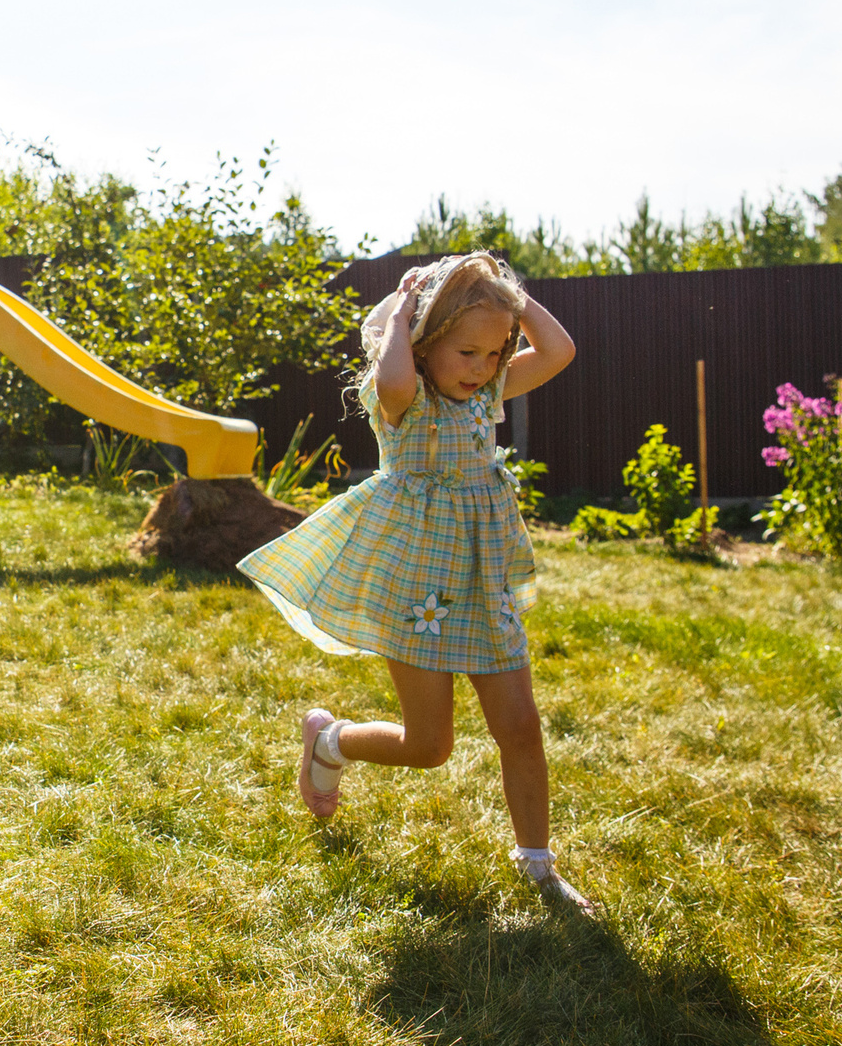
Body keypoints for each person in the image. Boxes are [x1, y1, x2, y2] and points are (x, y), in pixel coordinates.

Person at [238, 252, 587, 908]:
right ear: (425, 340)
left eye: (495, 352)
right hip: (417, 588)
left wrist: (510, 296)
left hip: (483, 584)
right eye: (466, 351)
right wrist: (403, 309)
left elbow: (559, 349)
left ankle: (538, 864)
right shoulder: (403, 399)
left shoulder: (486, 392)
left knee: (520, 725)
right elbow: (396, 375)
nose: (482, 367)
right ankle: (332, 740)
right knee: (430, 747)